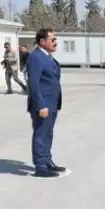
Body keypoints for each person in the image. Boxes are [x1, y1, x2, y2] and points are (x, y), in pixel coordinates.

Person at [27, 28, 67, 179]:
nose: (56, 43)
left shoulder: (48, 57)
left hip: (51, 102)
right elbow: (33, 84)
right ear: (42, 42)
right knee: (40, 133)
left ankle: (47, 160)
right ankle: (40, 166)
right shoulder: (35, 57)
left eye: (56, 39)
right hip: (42, 104)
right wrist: (40, 105)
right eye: (53, 40)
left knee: (48, 133)